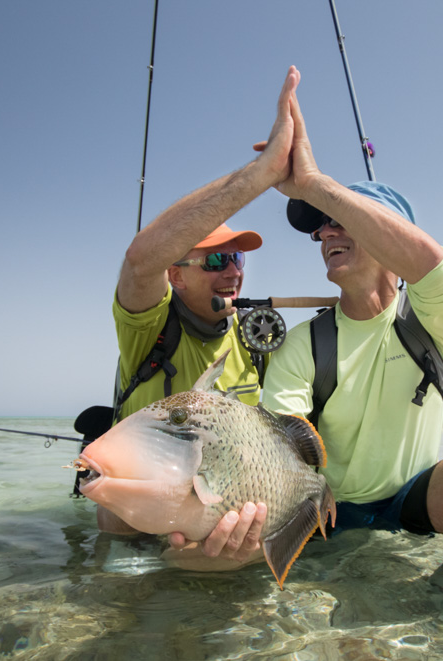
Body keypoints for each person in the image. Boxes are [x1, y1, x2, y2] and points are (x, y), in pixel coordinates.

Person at [188, 65, 443, 653]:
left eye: (343, 219)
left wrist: (316, 184)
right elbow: (280, 444)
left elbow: (437, 268)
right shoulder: (304, 343)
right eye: (320, 227)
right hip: (321, 510)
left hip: (410, 500)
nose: (327, 231)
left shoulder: (436, 314)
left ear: (390, 236)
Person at [97, 67, 305, 549]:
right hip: (145, 524)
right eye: (215, 259)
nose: (233, 270)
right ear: (176, 274)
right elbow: (138, 262)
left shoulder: (255, 344)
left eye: (237, 258)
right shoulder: (149, 326)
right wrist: (260, 176)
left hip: (223, 517)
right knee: (113, 525)